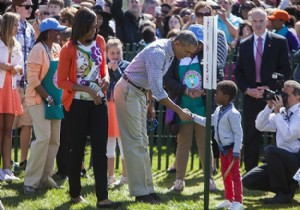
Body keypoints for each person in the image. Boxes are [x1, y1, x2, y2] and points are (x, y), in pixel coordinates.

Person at [114, 30, 197, 204]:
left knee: (143, 142)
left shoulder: (170, 52)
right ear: (177, 43)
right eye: (187, 52)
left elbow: (153, 82)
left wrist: (150, 103)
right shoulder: (158, 52)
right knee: (135, 142)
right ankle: (140, 192)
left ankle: (147, 189)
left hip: (140, 93)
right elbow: (160, 91)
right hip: (129, 91)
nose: (187, 56)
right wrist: (179, 111)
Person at [57, 8, 120, 208]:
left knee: (100, 149)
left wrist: (106, 80)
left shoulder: (100, 41)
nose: (96, 30)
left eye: (96, 27)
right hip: (76, 104)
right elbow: (61, 81)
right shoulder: (68, 49)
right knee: (77, 149)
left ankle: (102, 197)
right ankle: (75, 193)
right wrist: (86, 89)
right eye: (92, 27)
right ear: (83, 27)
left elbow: (103, 70)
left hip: (98, 102)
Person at [235, 7, 291, 172]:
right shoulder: (244, 44)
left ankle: (276, 171)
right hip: (251, 96)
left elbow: (285, 69)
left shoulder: (280, 41)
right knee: (251, 134)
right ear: (250, 22)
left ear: (267, 21)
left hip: (273, 97)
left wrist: (270, 87)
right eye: (255, 21)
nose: (258, 24)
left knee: (278, 134)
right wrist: (247, 89)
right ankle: (251, 172)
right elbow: (238, 72)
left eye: (261, 21)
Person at [163, 24, 218, 192]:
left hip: (203, 108)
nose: (196, 46)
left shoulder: (208, 59)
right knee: (183, 144)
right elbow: (167, 80)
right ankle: (179, 180)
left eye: (199, 43)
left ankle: (209, 179)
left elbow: (217, 79)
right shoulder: (175, 58)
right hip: (183, 108)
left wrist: (205, 91)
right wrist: (185, 90)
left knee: (204, 144)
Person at [23, 18, 66, 194]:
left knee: (54, 139)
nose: (60, 34)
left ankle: (44, 178)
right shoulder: (37, 50)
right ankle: (30, 182)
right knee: (43, 137)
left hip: (55, 100)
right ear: (48, 33)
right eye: (57, 31)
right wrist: (47, 97)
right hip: (38, 100)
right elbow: (32, 79)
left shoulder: (56, 49)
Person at [243, 80, 300, 204]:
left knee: (270, 151)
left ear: (298, 98)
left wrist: (278, 113)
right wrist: (269, 107)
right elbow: (259, 125)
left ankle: (283, 194)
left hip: (297, 160)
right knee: (248, 181)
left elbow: (289, 135)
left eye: (287, 95)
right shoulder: (283, 111)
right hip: (280, 161)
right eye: (281, 94)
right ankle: (289, 187)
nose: (282, 98)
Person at [193, 80, 243, 210]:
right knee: (225, 174)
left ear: (226, 97)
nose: (215, 95)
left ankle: (238, 202)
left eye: (217, 93)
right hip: (223, 150)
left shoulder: (233, 114)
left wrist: (237, 151)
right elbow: (207, 121)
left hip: (232, 149)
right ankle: (228, 199)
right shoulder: (219, 110)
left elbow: (238, 134)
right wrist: (192, 116)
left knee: (235, 176)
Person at [12, 0, 35, 172]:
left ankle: (22, 160)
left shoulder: (30, 27)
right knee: (7, 124)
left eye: (31, 6)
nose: (30, 9)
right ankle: (6, 163)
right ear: (17, 7)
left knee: (27, 123)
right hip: (12, 82)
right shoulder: (8, 25)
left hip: (27, 82)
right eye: (27, 6)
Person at [0, 12, 24, 182]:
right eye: (15, 25)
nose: (18, 28)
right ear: (8, 25)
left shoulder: (17, 44)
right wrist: (5, 66)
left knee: (8, 131)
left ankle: (7, 169)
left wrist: (16, 68)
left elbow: (21, 67)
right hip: (0, 89)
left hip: (11, 89)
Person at [106, 37, 129, 187]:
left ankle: (125, 176)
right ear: (107, 53)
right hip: (107, 107)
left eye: (117, 52)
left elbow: (125, 84)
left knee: (123, 144)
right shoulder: (103, 67)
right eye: (112, 53)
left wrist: (116, 70)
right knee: (109, 144)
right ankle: (110, 176)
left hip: (121, 108)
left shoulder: (127, 66)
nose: (115, 56)